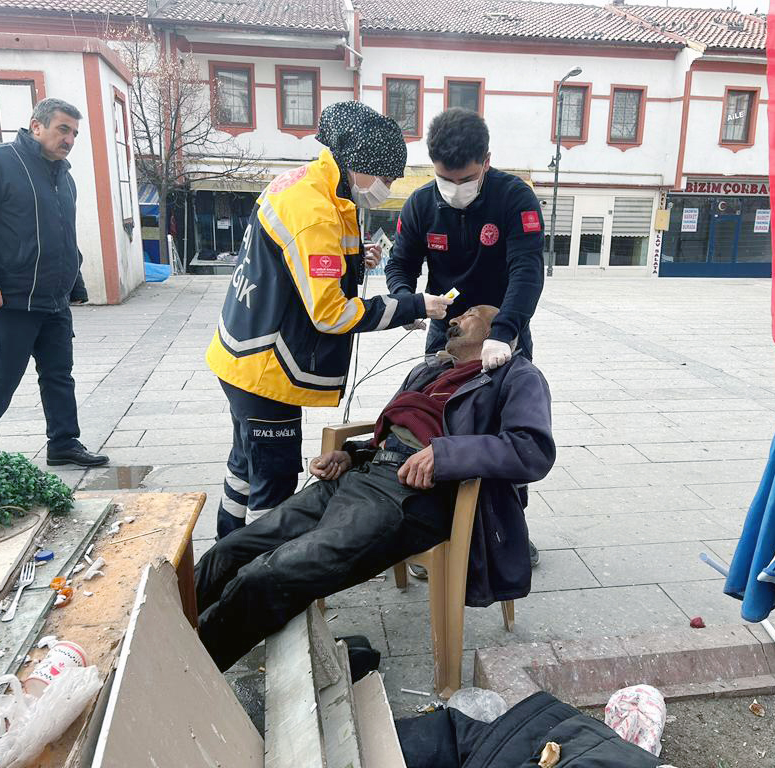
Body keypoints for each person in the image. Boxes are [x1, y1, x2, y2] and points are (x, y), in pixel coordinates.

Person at [195, 305, 555, 671]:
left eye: (470, 314)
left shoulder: (518, 376)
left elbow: (532, 450)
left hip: (413, 494)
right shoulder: (430, 370)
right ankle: (163, 626)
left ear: (500, 329)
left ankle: (187, 665)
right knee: (229, 552)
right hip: (363, 475)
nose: (454, 320)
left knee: (268, 575)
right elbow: (398, 433)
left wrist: (445, 455)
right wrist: (352, 454)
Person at [205, 101, 452, 540]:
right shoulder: (315, 209)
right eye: (387, 176)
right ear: (358, 164)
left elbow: (304, 268)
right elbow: (332, 312)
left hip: (241, 352)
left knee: (245, 462)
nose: (388, 186)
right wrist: (417, 306)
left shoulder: (316, 187)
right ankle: (261, 574)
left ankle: (225, 547)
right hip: (265, 367)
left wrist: (357, 262)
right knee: (274, 484)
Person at [385, 108, 546, 570]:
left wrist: (506, 331)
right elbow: (400, 264)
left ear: (487, 161)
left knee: (507, 429)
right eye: (443, 178)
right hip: (447, 324)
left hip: (502, 323)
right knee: (438, 415)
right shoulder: (420, 204)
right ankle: (430, 522)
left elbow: (527, 269)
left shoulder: (515, 198)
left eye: (466, 178)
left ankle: (509, 531)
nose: (454, 188)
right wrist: (408, 303)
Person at [0, 98, 107, 468]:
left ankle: (64, 443)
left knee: (58, 375)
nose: (69, 139)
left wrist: (75, 283)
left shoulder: (63, 177)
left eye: (74, 133)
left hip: (52, 300)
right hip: (5, 299)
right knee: (1, 376)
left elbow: (64, 235)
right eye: (62, 129)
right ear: (36, 126)